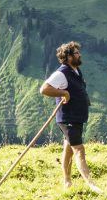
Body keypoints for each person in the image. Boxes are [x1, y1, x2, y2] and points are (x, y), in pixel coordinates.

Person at [40, 41, 102, 192]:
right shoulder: (61, 73)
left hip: (76, 117)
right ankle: (91, 185)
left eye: (78, 52)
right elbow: (44, 89)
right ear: (67, 56)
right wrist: (64, 93)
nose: (79, 55)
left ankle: (67, 182)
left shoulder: (76, 71)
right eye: (76, 53)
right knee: (79, 149)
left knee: (68, 148)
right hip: (68, 118)